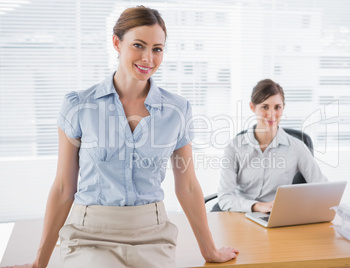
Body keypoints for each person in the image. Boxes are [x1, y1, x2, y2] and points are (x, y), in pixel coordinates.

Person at [15, 6, 238, 268]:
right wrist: (39, 262)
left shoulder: (177, 110)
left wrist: (209, 250)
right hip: (90, 235)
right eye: (138, 45)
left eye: (157, 49)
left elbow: (187, 186)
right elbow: (64, 188)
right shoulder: (78, 105)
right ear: (116, 43)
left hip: (152, 234)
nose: (148, 58)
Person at [218, 79, 328, 213]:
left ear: (283, 107)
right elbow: (225, 198)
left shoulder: (296, 147)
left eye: (277, 107)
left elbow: (323, 187)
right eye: (265, 107)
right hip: (240, 213)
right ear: (252, 107)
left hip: (276, 215)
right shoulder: (235, 147)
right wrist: (256, 206)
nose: (272, 114)